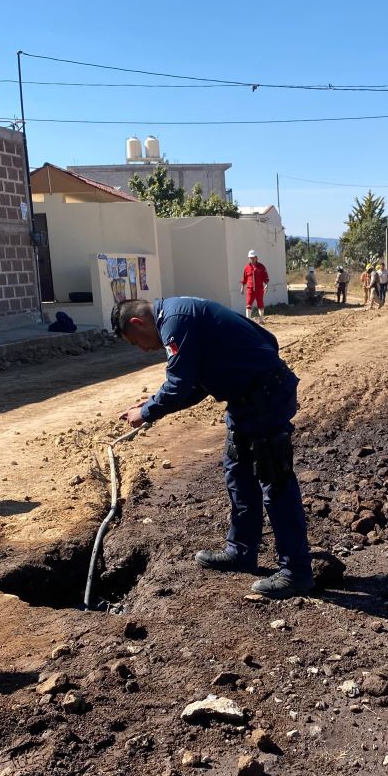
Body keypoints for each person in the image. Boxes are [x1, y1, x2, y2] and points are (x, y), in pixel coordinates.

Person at [115, 296, 314, 598]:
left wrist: (145, 412)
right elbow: (195, 386)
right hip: (244, 402)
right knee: (238, 473)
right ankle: (241, 552)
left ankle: (296, 570)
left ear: (137, 323)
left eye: (136, 342)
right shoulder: (179, 316)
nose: (143, 349)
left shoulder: (175, 320)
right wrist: (153, 405)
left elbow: (179, 383)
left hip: (265, 396)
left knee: (274, 479)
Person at [240, 250, 269, 321]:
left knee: (260, 304)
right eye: (250, 258)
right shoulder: (246, 268)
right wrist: (242, 287)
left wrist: (266, 285)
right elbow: (244, 279)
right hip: (250, 289)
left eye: (253, 257)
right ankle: (248, 321)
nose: (251, 259)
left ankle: (261, 319)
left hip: (259, 289)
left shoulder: (261, 267)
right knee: (248, 304)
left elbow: (265, 277)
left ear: (256, 258)